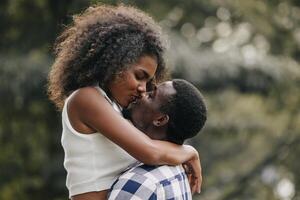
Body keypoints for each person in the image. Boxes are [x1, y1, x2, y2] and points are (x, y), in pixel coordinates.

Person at [47, 4, 201, 200]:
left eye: (148, 81)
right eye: (139, 76)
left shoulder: (115, 107)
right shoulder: (85, 99)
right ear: (114, 62)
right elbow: (150, 151)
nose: (143, 88)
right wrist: (189, 152)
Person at [108, 79, 207, 199]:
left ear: (160, 120)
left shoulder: (142, 183)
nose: (142, 93)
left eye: (151, 96)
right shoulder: (177, 175)